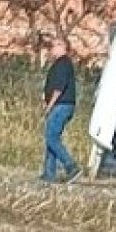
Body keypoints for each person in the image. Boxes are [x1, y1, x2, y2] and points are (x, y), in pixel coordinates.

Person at [41, 37, 80, 183]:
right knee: (51, 137)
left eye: (54, 45)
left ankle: (71, 166)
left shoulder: (63, 64)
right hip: (60, 105)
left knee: (51, 137)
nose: (51, 48)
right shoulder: (59, 64)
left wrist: (49, 105)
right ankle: (49, 173)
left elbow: (59, 88)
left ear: (62, 46)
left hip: (62, 105)